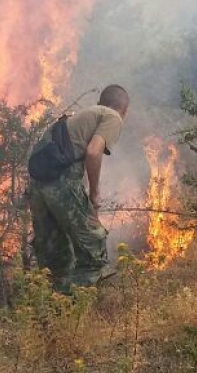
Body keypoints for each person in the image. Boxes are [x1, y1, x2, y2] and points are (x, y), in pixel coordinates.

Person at [27, 85, 130, 290]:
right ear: (124, 109)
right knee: (93, 243)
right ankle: (73, 304)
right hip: (61, 182)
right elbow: (93, 152)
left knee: (53, 251)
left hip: (39, 185)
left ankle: (46, 305)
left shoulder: (79, 117)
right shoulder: (113, 116)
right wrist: (94, 193)